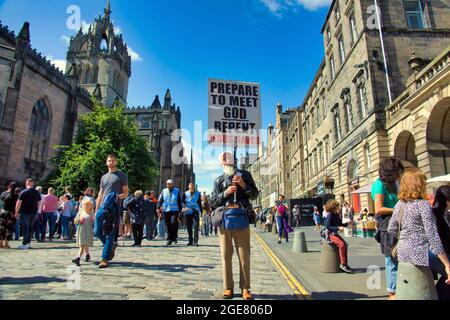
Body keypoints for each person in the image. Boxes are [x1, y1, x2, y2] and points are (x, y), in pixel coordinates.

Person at [388, 168, 450, 299]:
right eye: (423, 182)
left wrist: (406, 236)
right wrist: (447, 264)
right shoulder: (422, 204)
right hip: (421, 252)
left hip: (403, 252)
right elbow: (432, 236)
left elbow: (391, 229)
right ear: (418, 184)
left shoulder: (400, 204)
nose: (425, 185)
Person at [210, 152, 259, 301]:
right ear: (222, 164)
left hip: (242, 217)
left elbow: (255, 195)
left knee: (244, 255)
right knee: (226, 255)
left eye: (230, 163)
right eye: (225, 163)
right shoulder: (218, 180)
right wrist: (225, 193)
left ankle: (245, 288)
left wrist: (243, 185)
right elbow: (212, 202)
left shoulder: (245, 175)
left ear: (235, 162)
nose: (228, 165)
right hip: (225, 219)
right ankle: (228, 287)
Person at [372, 157, 404, 300]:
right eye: (397, 170)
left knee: (401, 256)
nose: (400, 173)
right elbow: (378, 209)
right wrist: (399, 209)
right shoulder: (379, 185)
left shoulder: (395, 184)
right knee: (391, 258)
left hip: (399, 223)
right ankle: (392, 292)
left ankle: (402, 286)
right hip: (386, 225)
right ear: (390, 171)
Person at [95, 154, 129, 269]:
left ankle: (104, 258)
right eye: (109, 161)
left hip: (114, 207)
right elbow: (100, 193)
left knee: (109, 233)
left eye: (113, 161)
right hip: (102, 207)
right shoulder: (104, 177)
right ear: (106, 162)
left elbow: (126, 192)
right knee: (97, 231)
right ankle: (110, 246)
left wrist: (118, 197)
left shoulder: (121, 175)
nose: (111, 162)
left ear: (116, 162)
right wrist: (96, 209)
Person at [324, 199, 355, 274]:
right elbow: (327, 226)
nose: (339, 207)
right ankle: (343, 264)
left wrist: (348, 223)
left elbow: (340, 224)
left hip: (334, 233)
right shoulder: (330, 215)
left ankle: (345, 264)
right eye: (338, 206)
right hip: (330, 234)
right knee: (342, 245)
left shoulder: (337, 215)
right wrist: (337, 228)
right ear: (334, 207)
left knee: (345, 245)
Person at [429, 186, 450, 279]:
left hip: (435, 252)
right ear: (447, 200)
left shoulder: (434, 211)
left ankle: (440, 292)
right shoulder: (443, 214)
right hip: (442, 253)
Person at [15, 179, 42, 250]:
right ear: (32, 184)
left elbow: (18, 203)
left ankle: (24, 244)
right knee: (30, 227)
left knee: (26, 228)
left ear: (26, 183)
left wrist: (16, 212)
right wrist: (37, 210)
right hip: (34, 212)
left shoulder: (23, 192)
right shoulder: (37, 192)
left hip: (25, 212)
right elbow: (39, 202)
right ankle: (28, 243)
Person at [157, 180, 182, 246]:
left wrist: (180, 210)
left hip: (175, 210)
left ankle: (174, 237)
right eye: (167, 184)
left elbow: (179, 201)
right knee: (167, 225)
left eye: (170, 184)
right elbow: (160, 199)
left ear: (172, 184)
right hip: (166, 210)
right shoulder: (164, 190)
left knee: (173, 223)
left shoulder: (177, 191)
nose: (168, 185)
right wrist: (158, 207)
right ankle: (169, 239)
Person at [72, 199, 95, 266]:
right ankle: (87, 255)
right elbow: (75, 220)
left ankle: (78, 258)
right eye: (85, 204)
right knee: (83, 244)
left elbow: (93, 221)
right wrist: (79, 220)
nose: (86, 206)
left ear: (90, 206)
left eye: (87, 205)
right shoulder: (80, 212)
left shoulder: (91, 213)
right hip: (81, 230)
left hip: (88, 231)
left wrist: (91, 220)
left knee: (83, 245)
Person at [0, 182, 18, 249]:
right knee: (9, 228)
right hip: (11, 213)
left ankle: (0, 244)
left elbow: (1, 202)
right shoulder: (15, 195)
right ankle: (6, 244)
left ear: (9, 186)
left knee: (2, 227)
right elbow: (16, 205)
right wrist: (16, 213)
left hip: (3, 212)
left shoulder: (3, 193)